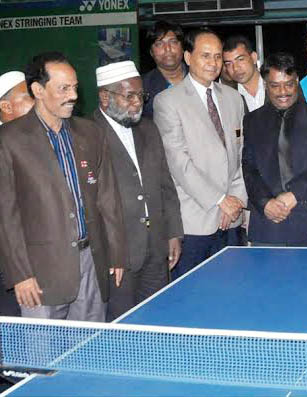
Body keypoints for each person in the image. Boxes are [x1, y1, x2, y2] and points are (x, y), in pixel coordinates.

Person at [0, 52, 126, 321]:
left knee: (88, 349)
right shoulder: (9, 140)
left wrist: (116, 254)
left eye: (75, 87)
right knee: (42, 356)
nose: (73, 96)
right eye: (63, 89)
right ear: (38, 90)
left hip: (91, 262)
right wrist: (21, 274)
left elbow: (107, 199)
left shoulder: (91, 133)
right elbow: (6, 216)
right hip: (40, 272)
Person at [92, 61, 183, 321]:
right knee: (121, 327)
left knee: (158, 320)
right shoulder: (88, 134)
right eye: (128, 96)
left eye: (140, 95)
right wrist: (109, 253)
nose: (137, 103)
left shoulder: (148, 128)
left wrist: (174, 232)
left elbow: (165, 184)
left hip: (156, 249)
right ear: (105, 96)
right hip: (118, 257)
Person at [153, 28, 247, 278]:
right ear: (187, 57)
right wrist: (219, 201)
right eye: (205, 55)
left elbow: (239, 155)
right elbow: (178, 162)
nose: (213, 63)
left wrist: (235, 201)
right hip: (195, 223)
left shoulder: (234, 98)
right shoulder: (167, 101)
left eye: (218, 56)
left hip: (232, 219)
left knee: (233, 292)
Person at [242, 52, 307, 246]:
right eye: (275, 85)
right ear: (265, 85)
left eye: (288, 84)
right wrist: (264, 203)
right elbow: (249, 168)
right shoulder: (252, 121)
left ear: (297, 81)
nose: (282, 92)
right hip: (268, 225)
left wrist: (294, 194)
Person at [0, 70, 35, 317]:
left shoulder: (35, 138)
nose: (36, 103)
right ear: (5, 106)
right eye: (27, 97)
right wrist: (19, 272)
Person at [142, 21, 187, 119]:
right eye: (159, 44)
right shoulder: (142, 86)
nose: (167, 49)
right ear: (151, 52)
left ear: (182, 47)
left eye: (173, 42)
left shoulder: (200, 78)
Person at [222, 35, 265, 114]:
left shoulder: (274, 84)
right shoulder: (227, 96)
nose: (235, 68)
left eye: (240, 59)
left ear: (254, 58)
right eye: (228, 63)